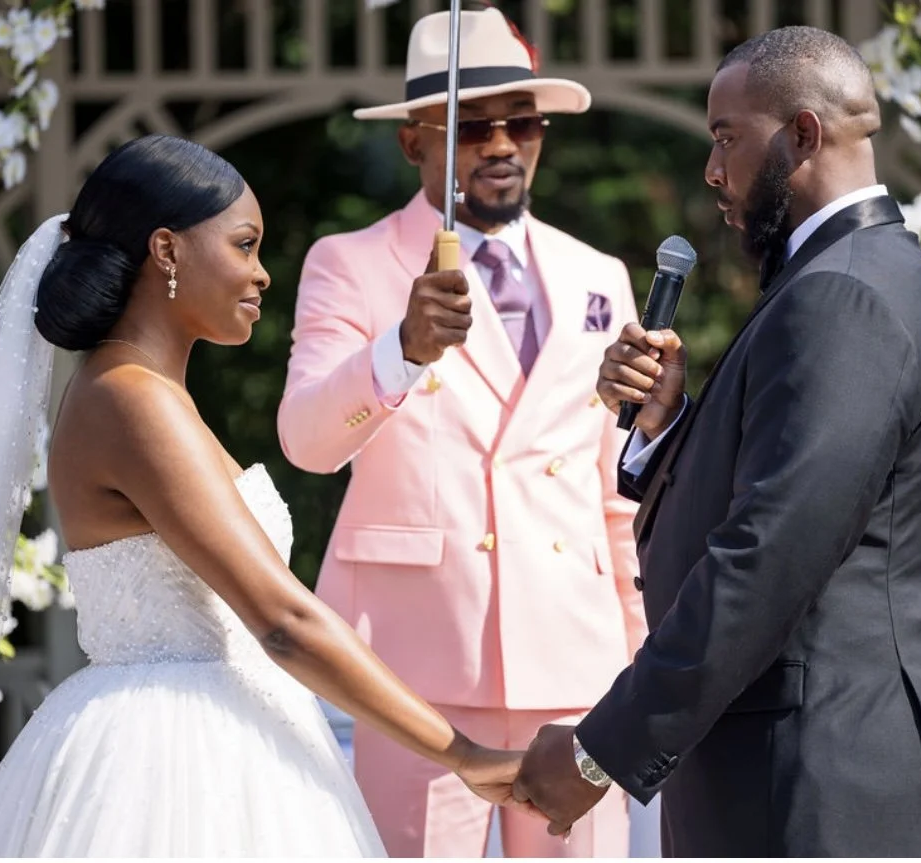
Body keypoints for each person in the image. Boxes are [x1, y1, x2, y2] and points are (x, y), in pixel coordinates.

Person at [0, 134, 537, 858]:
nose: (260, 275)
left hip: (229, 741)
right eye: (244, 245)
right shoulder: (131, 402)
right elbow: (282, 618)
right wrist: (463, 753)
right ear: (167, 250)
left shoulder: (147, 395)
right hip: (165, 767)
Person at [512, 25, 921, 858]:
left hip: (818, 780)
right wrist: (670, 425)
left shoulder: (844, 295)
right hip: (805, 768)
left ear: (802, 134)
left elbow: (768, 555)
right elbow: (797, 499)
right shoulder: (851, 275)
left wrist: (601, 753)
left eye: (726, 138)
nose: (712, 169)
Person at [276, 7, 646, 858]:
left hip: (578, 671)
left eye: (522, 122)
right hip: (415, 677)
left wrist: (640, 667)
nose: (502, 143)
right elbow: (305, 439)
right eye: (473, 126)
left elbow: (617, 492)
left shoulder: (601, 278)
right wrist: (398, 352)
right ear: (414, 142)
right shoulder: (352, 264)